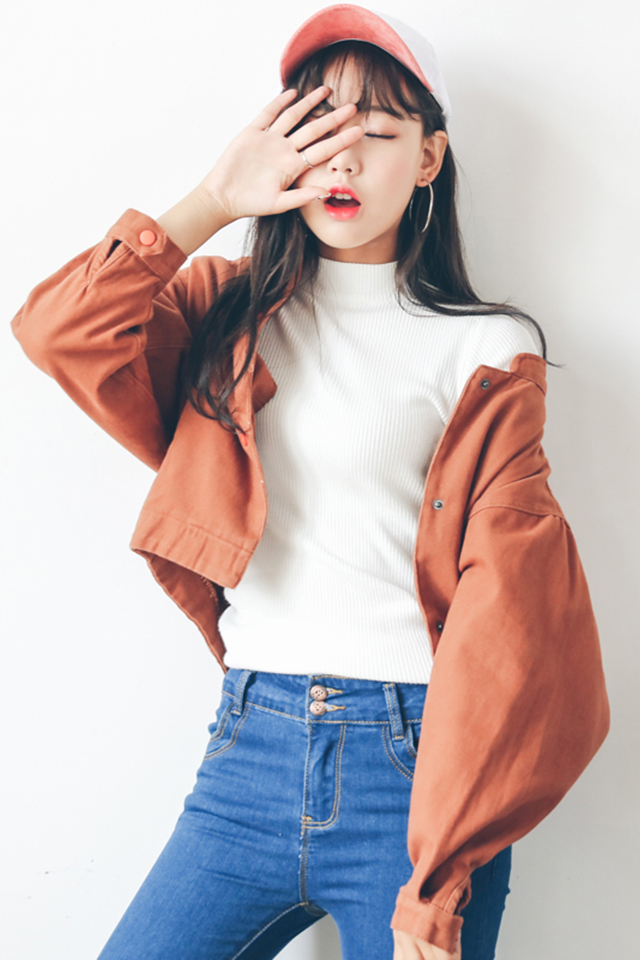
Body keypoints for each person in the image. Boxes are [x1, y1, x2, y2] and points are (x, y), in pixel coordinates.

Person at [10, 4, 610, 960]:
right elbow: (57, 333)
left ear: (428, 157)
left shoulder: (487, 349)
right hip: (247, 751)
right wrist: (214, 198)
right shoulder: (221, 313)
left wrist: (441, 874)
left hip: (413, 771)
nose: (343, 162)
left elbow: (513, 613)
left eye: (378, 135)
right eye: (319, 129)